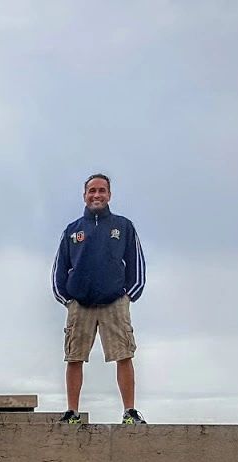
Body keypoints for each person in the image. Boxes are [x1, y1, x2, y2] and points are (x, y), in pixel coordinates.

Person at [51, 173, 146, 425]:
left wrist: (129, 296)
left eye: (101, 190)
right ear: (84, 195)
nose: (97, 195)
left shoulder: (123, 227)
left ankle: (129, 412)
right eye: (92, 191)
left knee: (124, 355)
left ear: (109, 195)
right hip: (80, 304)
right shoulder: (73, 230)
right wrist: (67, 300)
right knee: (74, 357)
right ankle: (72, 412)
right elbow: (59, 268)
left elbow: (136, 264)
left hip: (114, 302)